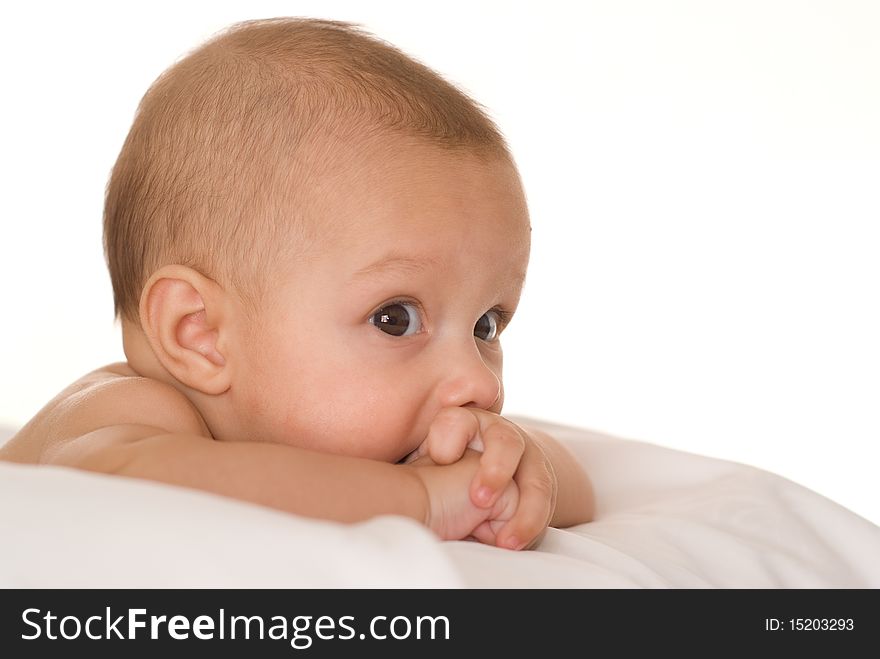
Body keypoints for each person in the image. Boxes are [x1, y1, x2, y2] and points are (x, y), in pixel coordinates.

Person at [0, 18, 593, 550]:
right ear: (201, 334)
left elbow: (580, 489)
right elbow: (139, 494)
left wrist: (512, 469)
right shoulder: (127, 417)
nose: (479, 384)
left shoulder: (392, 421)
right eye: (395, 318)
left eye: (486, 324)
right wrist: (423, 499)